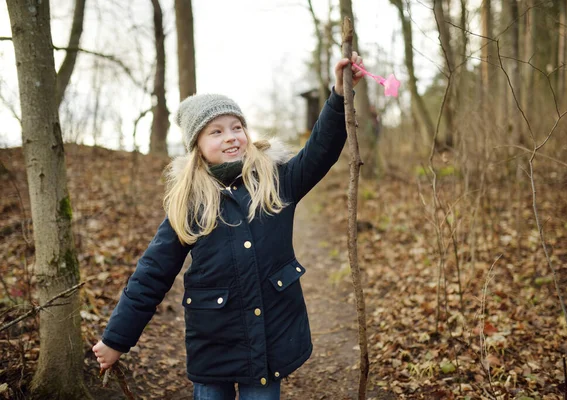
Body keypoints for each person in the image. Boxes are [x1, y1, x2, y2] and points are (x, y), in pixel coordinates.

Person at [92, 52, 364, 400]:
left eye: (237, 127)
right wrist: (116, 339)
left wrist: (339, 96)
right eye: (216, 132)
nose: (231, 137)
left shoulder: (276, 180)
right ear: (198, 147)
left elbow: (321, 150)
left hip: (269, 340)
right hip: (214, 345)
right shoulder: (189, 203)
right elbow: (151, 274)